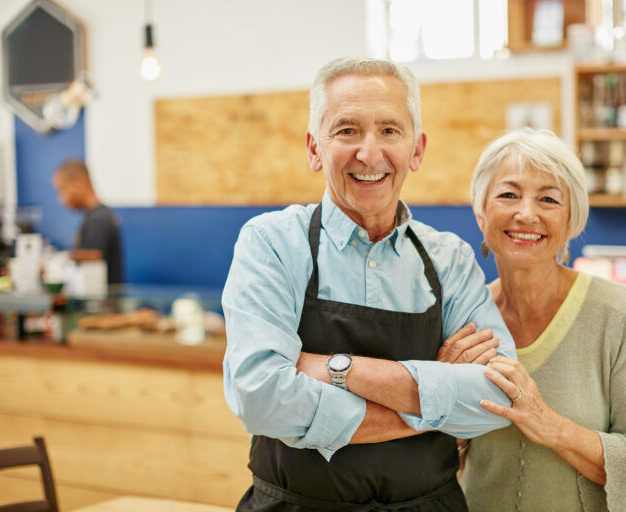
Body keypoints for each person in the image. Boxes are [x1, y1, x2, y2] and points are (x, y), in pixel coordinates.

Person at [222, 57, 519, 511]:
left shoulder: (451, 259)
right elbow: (260, 396)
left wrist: (336, 369)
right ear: (314, 148)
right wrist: (433, 400)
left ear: (416, 150)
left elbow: (500, 391)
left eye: (389, 130)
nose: (369, 152)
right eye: (346, 130)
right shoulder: (272, 243)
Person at [459, 128, 626, 511]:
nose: (526, 213)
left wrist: (548, 425)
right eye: (508, 194)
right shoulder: (462, 317)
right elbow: (437, 462)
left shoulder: (618, 313)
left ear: (571, 220)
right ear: (480, 210)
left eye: (548, 199)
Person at [52, 159, 123, 284]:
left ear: (79, 183)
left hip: (102, 302)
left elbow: (94, 255)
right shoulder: (95, 216)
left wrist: (59, 259)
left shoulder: (99, 218)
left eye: (62, 190)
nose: (60, 199)